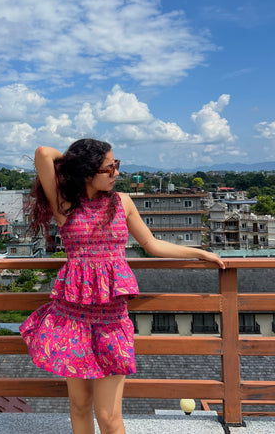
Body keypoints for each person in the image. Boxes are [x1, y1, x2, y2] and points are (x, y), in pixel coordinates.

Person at [20, 138, 225, 434]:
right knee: (78, 406)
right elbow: (42, 154)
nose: (117, 172)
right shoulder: (65, 203)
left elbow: (151, 243)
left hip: (111, 320)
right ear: (88, 171)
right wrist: (77, 160)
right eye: (109, 167)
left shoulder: (122, 202)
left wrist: (200, 252)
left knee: (108, 416)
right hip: (72, 319)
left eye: (117, 165)